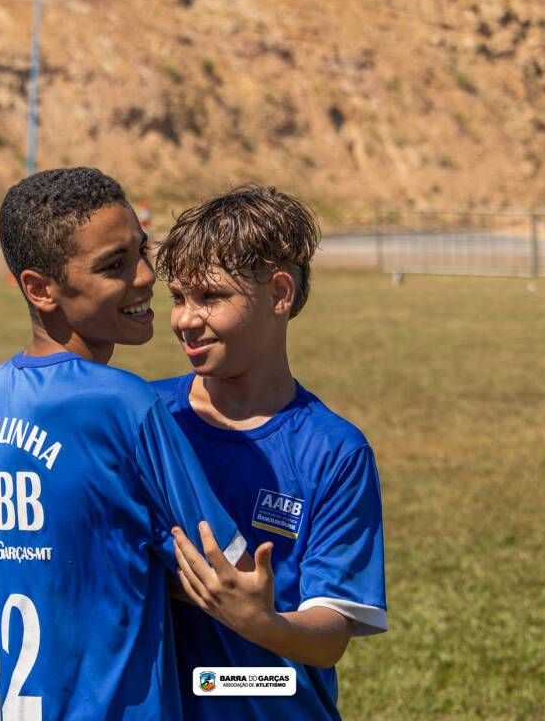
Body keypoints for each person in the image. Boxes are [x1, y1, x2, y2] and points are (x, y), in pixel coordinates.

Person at [0, 167, 247, 721]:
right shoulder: (125, 403)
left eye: (143, 252)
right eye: (114, 266)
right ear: (41, 289)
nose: (144, 277)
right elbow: (229, 578)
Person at [152, 186, 388, 720]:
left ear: (280, 293)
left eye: (210, 297)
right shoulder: (145, 417)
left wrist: (260, 621)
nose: (185, 319)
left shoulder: (334, 451)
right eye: (177, 297)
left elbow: (330, 634)